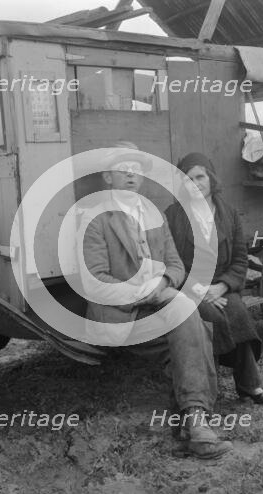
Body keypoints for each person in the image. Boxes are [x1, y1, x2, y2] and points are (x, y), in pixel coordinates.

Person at [79, 142, 233, 459]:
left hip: (159, 300)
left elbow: (175, 266)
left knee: (194, 317)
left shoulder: (154, 215)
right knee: (193, 323)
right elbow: (95, 281)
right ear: (108, 177)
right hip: (121, 314)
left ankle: (192, 420)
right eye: (123, 170)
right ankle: (196, 422)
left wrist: (162, 282)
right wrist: (142, 291)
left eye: (137, 170)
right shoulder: (95, 219)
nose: (131, 176)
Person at [165, 152, 263, 405]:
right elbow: (170, 261)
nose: (195, 184)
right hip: (188, 287)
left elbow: (240, 259)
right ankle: (204, 392)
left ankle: (249, 385)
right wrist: (200, 290)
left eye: (200, 177)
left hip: (222, 285)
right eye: (188, 179)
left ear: (211, 178)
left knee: (237, 310)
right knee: (210, 317)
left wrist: (223, 286)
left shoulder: (229, 214)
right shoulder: (173, 215)